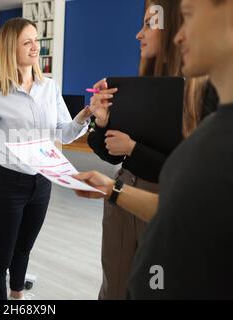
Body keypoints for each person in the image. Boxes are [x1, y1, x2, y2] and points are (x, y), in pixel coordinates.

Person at [74, 0, 233, 299]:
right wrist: (103, 125)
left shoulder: (205, 105)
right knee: (117, 281)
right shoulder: (141, 89)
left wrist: (133, 151)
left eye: (150, 24)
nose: (139, 35)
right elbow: (110, 149)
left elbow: (184, 198)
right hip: (126, 198)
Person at [0, 18, 92, 300]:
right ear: (11, 48)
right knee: (0, 259)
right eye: (27, 42)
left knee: (24, 249)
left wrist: (84, 115)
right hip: (8, 186)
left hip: (43, 184)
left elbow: (64, 133)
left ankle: (17, 296)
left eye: (36, 40)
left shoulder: (49, 87)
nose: (36, 47)